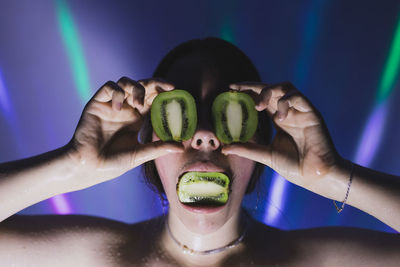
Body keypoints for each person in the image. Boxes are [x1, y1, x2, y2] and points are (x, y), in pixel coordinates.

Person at [0, 37, 399, 266]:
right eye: (180, 112)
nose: (205, 134)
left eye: (229, 114)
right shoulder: (99, 257)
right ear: (150, 141)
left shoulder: (311, 261)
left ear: (262, 141)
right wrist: (75, 166)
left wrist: (331, 174)